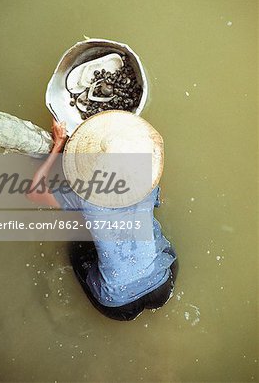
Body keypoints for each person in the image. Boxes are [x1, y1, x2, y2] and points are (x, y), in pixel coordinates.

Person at [27, 111, 178, 321]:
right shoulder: (147, 178)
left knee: (77, 244)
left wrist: (58, 146)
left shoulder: (82, 194)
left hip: (118, 303)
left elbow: (34, 191)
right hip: (163, 282)